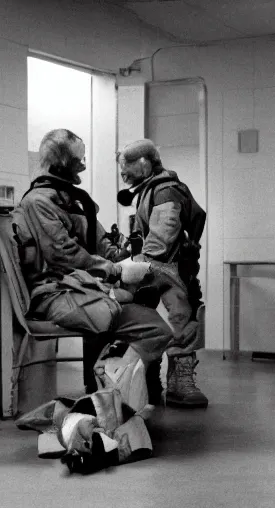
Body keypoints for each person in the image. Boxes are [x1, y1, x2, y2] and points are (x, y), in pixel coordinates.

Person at [14, 129, 173, 393]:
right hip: (55, 291)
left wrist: (133, 260)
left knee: (158, 330)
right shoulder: (37, 202)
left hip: (88, 287)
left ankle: (114, 386)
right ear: (62, 160)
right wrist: (115, 271)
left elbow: (102, 245)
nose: (84, 165)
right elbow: (63, 255)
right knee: (107, 313)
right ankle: (104, 389)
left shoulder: (77, 200)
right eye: (79, 158)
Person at [116, 139, 210, 408]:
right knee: (141, 316)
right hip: (158, 266)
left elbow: (162, 237)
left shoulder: (165, 191)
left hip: (169, 270)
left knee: (182, 315)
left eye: (127, 168)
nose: (123, 174)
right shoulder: (149, 190)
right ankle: (147, 380)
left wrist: (137, 267)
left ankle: (180, 381)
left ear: (145, 164)